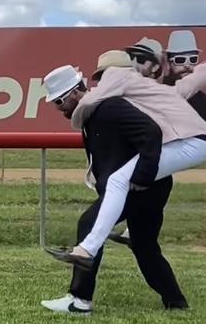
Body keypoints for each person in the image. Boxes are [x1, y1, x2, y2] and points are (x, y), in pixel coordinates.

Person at [41, 60, 188, 313]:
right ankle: (175, 302)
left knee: (88, 225)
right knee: (145, 246)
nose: (59, 108)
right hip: (152, 186)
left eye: (59, 102)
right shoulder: (94, 111)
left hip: (140, 187)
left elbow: (151, 133)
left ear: (76, 91)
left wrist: (141, 178)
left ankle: (80, 300)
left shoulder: (107, 108)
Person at [57, 49, 206, 267]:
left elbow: (90, 102)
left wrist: (77, 117)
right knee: (126, 183)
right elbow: (188, 85)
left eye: (100, 76)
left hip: (192, 142)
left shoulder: (116, 75)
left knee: (119, 180)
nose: (100, 82)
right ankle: (115, 237)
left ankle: (88, 249)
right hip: (194, 141)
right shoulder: (144, 88)